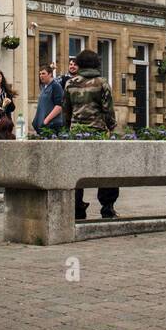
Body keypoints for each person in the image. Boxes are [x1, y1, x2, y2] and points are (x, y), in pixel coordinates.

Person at [62, 49, 119, 221]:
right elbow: (108, 110)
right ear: (96, 64)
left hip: (77, 135)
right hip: (98, 134)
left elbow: (66, 111)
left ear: (79, 64)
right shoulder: (102, 83)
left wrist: (69, 129)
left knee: (77, 172)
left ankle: (78, 208)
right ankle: (107, 208)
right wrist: (112, 127)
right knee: (106, 171)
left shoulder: (70, 84)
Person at [32, 65, 65, 135]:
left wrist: (45, 121)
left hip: (51, 125)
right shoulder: (44, 87)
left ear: (50, 74)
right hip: (44, 126)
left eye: (43, 73)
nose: (41, 76)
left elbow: (59, 107)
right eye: (40, 74)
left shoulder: (56, 86)